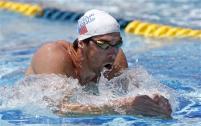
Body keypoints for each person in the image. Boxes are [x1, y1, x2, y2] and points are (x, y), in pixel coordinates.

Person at [26, 9, 172, 118]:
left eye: (117, 44)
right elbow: (57, 109)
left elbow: (130, 97)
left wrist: (154, 105)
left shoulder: (116, 60)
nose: (113, 51)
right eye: (104, 44)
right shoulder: (53, 56)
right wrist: (121, 106)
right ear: (82, 43)